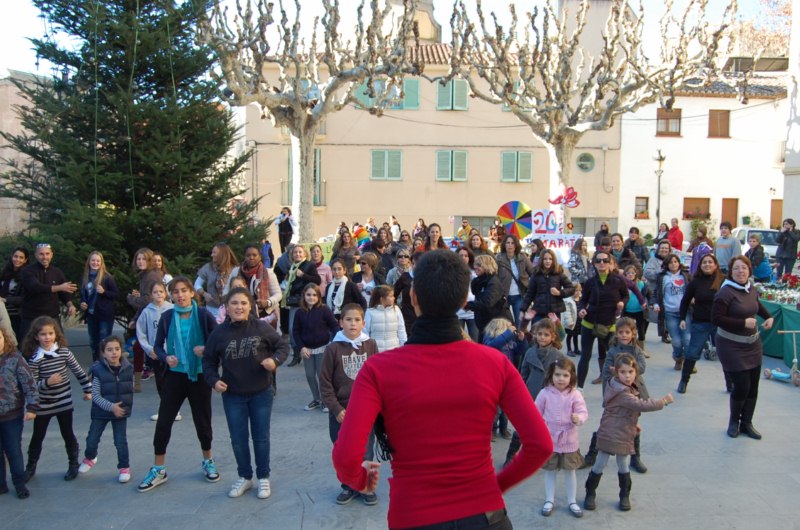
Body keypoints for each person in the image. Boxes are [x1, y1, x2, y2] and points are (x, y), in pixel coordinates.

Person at [331, 250, 553, 529]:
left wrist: (359, 480)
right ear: (463, 300)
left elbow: (345, 457)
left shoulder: (378, 370)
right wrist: (496, 486)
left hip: (414, 516)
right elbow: (541, 445)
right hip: (486, 515)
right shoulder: (495, 363)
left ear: (412, 297)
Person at [203, 287, 290, 499]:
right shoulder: (219, 333)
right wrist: (214, 381)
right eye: (234, 303)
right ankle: (245, 476)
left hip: (261, 393)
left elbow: (282, 347)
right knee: (238, 439)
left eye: (243, 303)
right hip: (233, 395)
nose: (239, 307)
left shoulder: (261, 327)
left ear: (250, 306)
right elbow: (208, 361)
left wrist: (275, 361)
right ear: (226, 307)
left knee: (261, 438)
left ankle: (263, 477)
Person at [138, 277, 219, 492]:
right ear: (170, 295)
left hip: (199, 375)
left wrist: (205, 349)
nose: (180, 295)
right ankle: (158, 468)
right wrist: (166, 358)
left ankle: (208, 460)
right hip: (175, 375)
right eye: (175, 292)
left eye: (184, 291)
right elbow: (158, 346)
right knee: (164, 421)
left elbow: (217, 340)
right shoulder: (166, 317)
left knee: (203, 421)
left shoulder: (202, 315)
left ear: (192, 293)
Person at [583, 354, 673, 512]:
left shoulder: (616, 383)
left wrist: (633, 424)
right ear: (617, 373)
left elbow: (625, 411)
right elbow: (639, 405)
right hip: (612, 432)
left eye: (630, 371)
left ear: (635, 373)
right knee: (602, 463)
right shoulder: (622, 392)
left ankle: (623, 495)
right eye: (623, 372)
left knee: (620, 464)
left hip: (621, 431)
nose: (627, 375)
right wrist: (663, 401)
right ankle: (591, 494)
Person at [319, 303, 379, 506]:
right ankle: (348, 486)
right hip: (341, 411)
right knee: (344, 451)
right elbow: (325, 383)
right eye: (348, 319)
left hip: (365, 411)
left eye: (356, 320)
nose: (352, 324)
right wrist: (336, 409)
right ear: (340, 322)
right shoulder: (332, 348)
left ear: (363, 323)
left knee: (367, 450)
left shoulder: (370, 344)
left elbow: (377, 378)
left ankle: (368, 487)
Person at [21, 316, 91, 482]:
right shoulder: (35, 357)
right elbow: (32, 385)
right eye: (43, 334)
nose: (47, 337)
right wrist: (47, 382)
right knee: (37, 436)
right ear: (36, 336)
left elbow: (79, 371)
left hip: (63, 403)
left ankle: (73, 463)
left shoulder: (64, 352)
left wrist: (87, 389)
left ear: (56, 334)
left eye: (50, 333)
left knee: (68, 434)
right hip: (43, 405)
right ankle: (31, 467)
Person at [711, 256, 774, 439]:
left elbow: (757, 304)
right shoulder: (725, 293)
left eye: (744, 268)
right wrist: (742, 323)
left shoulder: (750, 288)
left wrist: (768, 317)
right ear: (730, 272)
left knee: (753, 386)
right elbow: (716, 319)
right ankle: (734, 423)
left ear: (749, 270)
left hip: (752, 345)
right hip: (731, 346)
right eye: (737, 269)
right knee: (742, 386)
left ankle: (747, 423)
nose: (741, 272)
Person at [583, 318, 650, 474]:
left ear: (633, 333)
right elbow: (606, 372)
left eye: (627, 332)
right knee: (607, 424)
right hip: (615, 395)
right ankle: (592, 454)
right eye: (621, 332)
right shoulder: (612, 351)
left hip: (634, 392)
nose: (624, 335)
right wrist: (608, 395)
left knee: (632, 425)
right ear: (616, 334)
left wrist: (623, 370)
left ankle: (635, 457)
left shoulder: (637, 350)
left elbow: (642, 367)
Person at [536, 357, 588, 518]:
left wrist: (578, 418)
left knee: (569, 470)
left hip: (569, 440)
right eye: (558, 375)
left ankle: (571, 500)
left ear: (571, 376)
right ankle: (549, 499)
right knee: (550, 471)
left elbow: (582, 411)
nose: (561, 379)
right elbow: (535, 411)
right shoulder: (544, 393)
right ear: (551, 375)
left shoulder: (575, 394)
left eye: (565, 375)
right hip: (549, 438)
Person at [77, 336, 132, 483]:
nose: (114, 352)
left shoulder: (127, 368)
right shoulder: (98, 370)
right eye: (109, 350)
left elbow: (127, 391)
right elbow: (95, 395)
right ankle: (90, 457)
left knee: (120, 441)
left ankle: (124, 467)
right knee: (92, 438)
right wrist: (111, 406)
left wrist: (122, 407)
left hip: (120, 412)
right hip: (101, 412)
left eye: (117, 349)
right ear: (103, 353)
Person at [576, 250, 629, 389]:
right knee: (585, 357)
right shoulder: (590, 282)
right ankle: (579, 389)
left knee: (613, 358)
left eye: (605, 260)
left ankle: (616, 388)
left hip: (609, 325)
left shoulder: (618, 281)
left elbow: (626, 296)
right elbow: (582, 301)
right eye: (598, 260)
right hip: (589, 324)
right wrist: (581, 310)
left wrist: (622, 303)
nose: (602, 263)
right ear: (594, 263)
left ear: (610, 263)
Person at [0, 327, 38, 499]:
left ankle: (19, 483)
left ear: (4, 338)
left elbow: (29, 383)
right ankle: (1, 484)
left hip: (11, 415)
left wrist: (32, 407)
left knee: (13, 449)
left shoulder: (14, 359)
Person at [678, 254, 724, 393]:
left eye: (710, 262)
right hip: (700, 323)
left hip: (720, 323)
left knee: (726, 354)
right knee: (692, 353)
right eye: (704, 262)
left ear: (716, 265)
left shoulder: (723, 280)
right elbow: (685, 301)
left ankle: (730, 383)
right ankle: (684, 381)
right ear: (700, 265)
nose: (707, 264)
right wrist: (682, 318)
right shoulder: (695, 282)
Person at [136, 281, 179, 422]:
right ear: (151, 295)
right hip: (156, 354)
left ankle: (174, 409)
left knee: (172, 381)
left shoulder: (173, 308)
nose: (158, 294)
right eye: (155, 292)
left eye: (161, 291)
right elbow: (141, 333)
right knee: (160, 381)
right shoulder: (147, 312)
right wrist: (149, 349)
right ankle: (166, 409)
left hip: (172, 353)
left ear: (166, 293)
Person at [293, 284, 340, 412]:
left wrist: (333, 342)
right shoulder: (299, 313)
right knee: (309, 375)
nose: (311, 297)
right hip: (307, 350)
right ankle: (316, 399)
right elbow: (295, 332)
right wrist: (301, 347)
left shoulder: (324, 309)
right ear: (304, 296)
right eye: (308, 295)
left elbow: (334, 326)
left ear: (319, 296)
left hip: (322, 348)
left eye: (314, 295)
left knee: (322, 375)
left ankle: (326, 401)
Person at [483, 317, 528, 440]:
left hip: (508, 376)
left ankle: (503, 428)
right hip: (494, 377)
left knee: (506, 406)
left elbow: (521, 351)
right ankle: (492, 429)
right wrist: (508, 334)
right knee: (495, 406)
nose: (510, 332)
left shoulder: (509, 341)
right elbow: (491, 346)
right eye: (506, 329)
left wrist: (521, 341)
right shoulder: (490, 339)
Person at [20, 243, 77, 339]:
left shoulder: (57, 272)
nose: (44, 257)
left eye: (47, 254)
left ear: (51, 255)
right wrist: (59, 287)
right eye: (41, 254)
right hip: (31, 318)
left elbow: (64, 293)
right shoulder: (27, 271)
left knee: (59, 348)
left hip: (52, 317)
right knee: (28, 350)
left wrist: (70, 305)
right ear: (36, 255)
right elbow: (35, 287)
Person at [127, 248, 164, 391]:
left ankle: (139, 382)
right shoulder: (145, 276)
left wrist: (131, 299)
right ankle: (137, 382)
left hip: (155, 316)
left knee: (147, 349)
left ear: (149, 261)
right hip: (148, 315)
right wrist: (135, 318)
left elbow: (147, 300)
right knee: (139, 347)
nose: (140, 261)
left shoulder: (151, 276)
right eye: (138, 259)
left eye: (143, 259)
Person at [281, 245, 321, 367]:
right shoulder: (292, 267)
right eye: (295, 252)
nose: (297, 254)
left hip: (306, 301)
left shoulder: (309, 265)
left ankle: (311, 352)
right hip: (294, 302)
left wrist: (303, 275)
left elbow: (317, 280)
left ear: (304, 254)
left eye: (300, 252)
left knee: (307, 327)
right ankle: (296, 353)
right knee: (292, 329)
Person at [651, 254, 691, 371]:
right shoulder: (662, 277)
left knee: (687, 339)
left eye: (675, 262)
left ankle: (689, 362)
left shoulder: (686, 275)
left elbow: (693, 289)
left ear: (679, 263)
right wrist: (656, 303)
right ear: (667, 265)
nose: (673, 264)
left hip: (685, 311)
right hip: (670, 312)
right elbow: (656, 292)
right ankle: (678, 358)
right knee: (676, 341)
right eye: (670, 262)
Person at [79, 251, 119, 363]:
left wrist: (104, 292)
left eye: (98, 261)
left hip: (105, 315)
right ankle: (96, 365)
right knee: (93, 342)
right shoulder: (85, 277)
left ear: (101, 263)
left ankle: (104, 365)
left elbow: (115, 294)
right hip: (92, 314)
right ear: (89, 262)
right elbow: (83, 294)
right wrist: (82, 303)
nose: (95, 263)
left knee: (104, 341)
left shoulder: (107, 277)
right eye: (93, 260)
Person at [521, 248, 574, 327]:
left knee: (554, 336)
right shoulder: (536, 274)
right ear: (541, 260)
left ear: (554, 260)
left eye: (550, 259)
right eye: (545, 259)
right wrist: (523, 309)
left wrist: (560, 292)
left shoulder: (559, 273)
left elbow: (571, 288)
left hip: (554, 313)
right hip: (538, 311)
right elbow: (530, 293)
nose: (548, 261)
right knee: (536, 334)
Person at [468, 254, 512, 339]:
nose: (475, 267)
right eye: (475, 264)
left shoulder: (493, 282)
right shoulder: (479, 281)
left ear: (487, 266)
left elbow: (487, 303)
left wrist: (467, 305)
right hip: (485, 323)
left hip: (496, 325)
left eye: (479, 265)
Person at [496, 234, 535, 328]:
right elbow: (494, 277)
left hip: (519, 296)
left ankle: (519, 341)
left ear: (516, 245)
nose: (510, 245)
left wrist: (530, 289)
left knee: (519, 324)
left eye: (512, 243)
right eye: (508, 243)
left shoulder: (522, 257)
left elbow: (533, 274)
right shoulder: (498, 258)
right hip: (504, 296)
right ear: (504, 245)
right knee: (505, 325)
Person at [239, 244, 282, 329]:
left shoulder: (268, 273)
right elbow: (228, 291)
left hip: (265, 312)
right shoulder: (237, 272)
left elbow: (278, 294)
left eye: (254, 255)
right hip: (243, 313)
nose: (251, 257)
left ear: (259, 257)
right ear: (244, 257)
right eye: (248, 255)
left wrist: (268, 302)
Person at [194, 243, 240, 318]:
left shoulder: (236, 270)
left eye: (214, 252)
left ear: (222, 254)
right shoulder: (208, 268)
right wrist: (204, 294)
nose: (212, 255)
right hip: (212, 309)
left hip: (231, 309)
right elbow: (197, 284)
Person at [644, 240, 673, 344]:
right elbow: (647, 273)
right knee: (648, 314)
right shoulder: (653, 260)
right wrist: (660, 274)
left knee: (665, 314)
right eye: (662, 248)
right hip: (653, 291)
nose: (664, 250)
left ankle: (665, 334)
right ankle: (642, 335)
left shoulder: (672, 261)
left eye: (666, 248)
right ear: (658, 249)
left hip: (667, 292)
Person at [365, 286, 407, 352]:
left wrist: (404, 347)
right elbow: (365, 331)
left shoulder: (396, 310)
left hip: (394, 350)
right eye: (391, 296)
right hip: (376, 350)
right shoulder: (370, 312)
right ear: (382, 299)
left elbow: (401, 330)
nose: (394, 298)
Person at [0, 247, 29, 338]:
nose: (17, 259)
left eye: (21, 257)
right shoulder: (4, 273)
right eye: (15, 256)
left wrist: (5, 299)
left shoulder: (27, 275)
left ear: (25, 260)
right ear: (12, 257)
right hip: (2, 314)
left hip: (17, 315)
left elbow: (26, 298)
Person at [622, 265, 650, 355]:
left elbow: (649, 295)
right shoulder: (622, 284)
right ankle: (625, 349)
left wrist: (651, 304)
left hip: (639, 311)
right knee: (626, 330)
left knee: (641, 332)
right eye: (628, 273)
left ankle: (641, 350)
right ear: (625, 274)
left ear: (636, 274)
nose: (630, 275)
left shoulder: (641, 284)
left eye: (632, 273)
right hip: (627, 310)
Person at [456, 246, 479, 341]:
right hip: (457, 312)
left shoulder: (475, 272)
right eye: (461, 255)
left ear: (469, 258)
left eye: (466, 255)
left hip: (472, 312)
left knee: (475, 340)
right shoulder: (452, 272)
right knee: (458, 341)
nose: (463, 258)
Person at [393, 252, 419, 335]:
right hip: (407, 316)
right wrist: (395, 308)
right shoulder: (405, 276)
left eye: (419, 263)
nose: (416, 266)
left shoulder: (428, 278)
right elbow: (394, 293)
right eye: (414, 263)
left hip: (423, 315)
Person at [564, 285, 582, 357]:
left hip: (578, 321)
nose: (577, 292)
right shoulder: (569, 301)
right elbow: (567, 312)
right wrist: (569, 321)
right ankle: (569, 349)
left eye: (578, 290)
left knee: (576, 335)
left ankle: (576, 349)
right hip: (571, 321)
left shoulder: (581, 299)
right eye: (575, 291)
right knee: (570, 335)